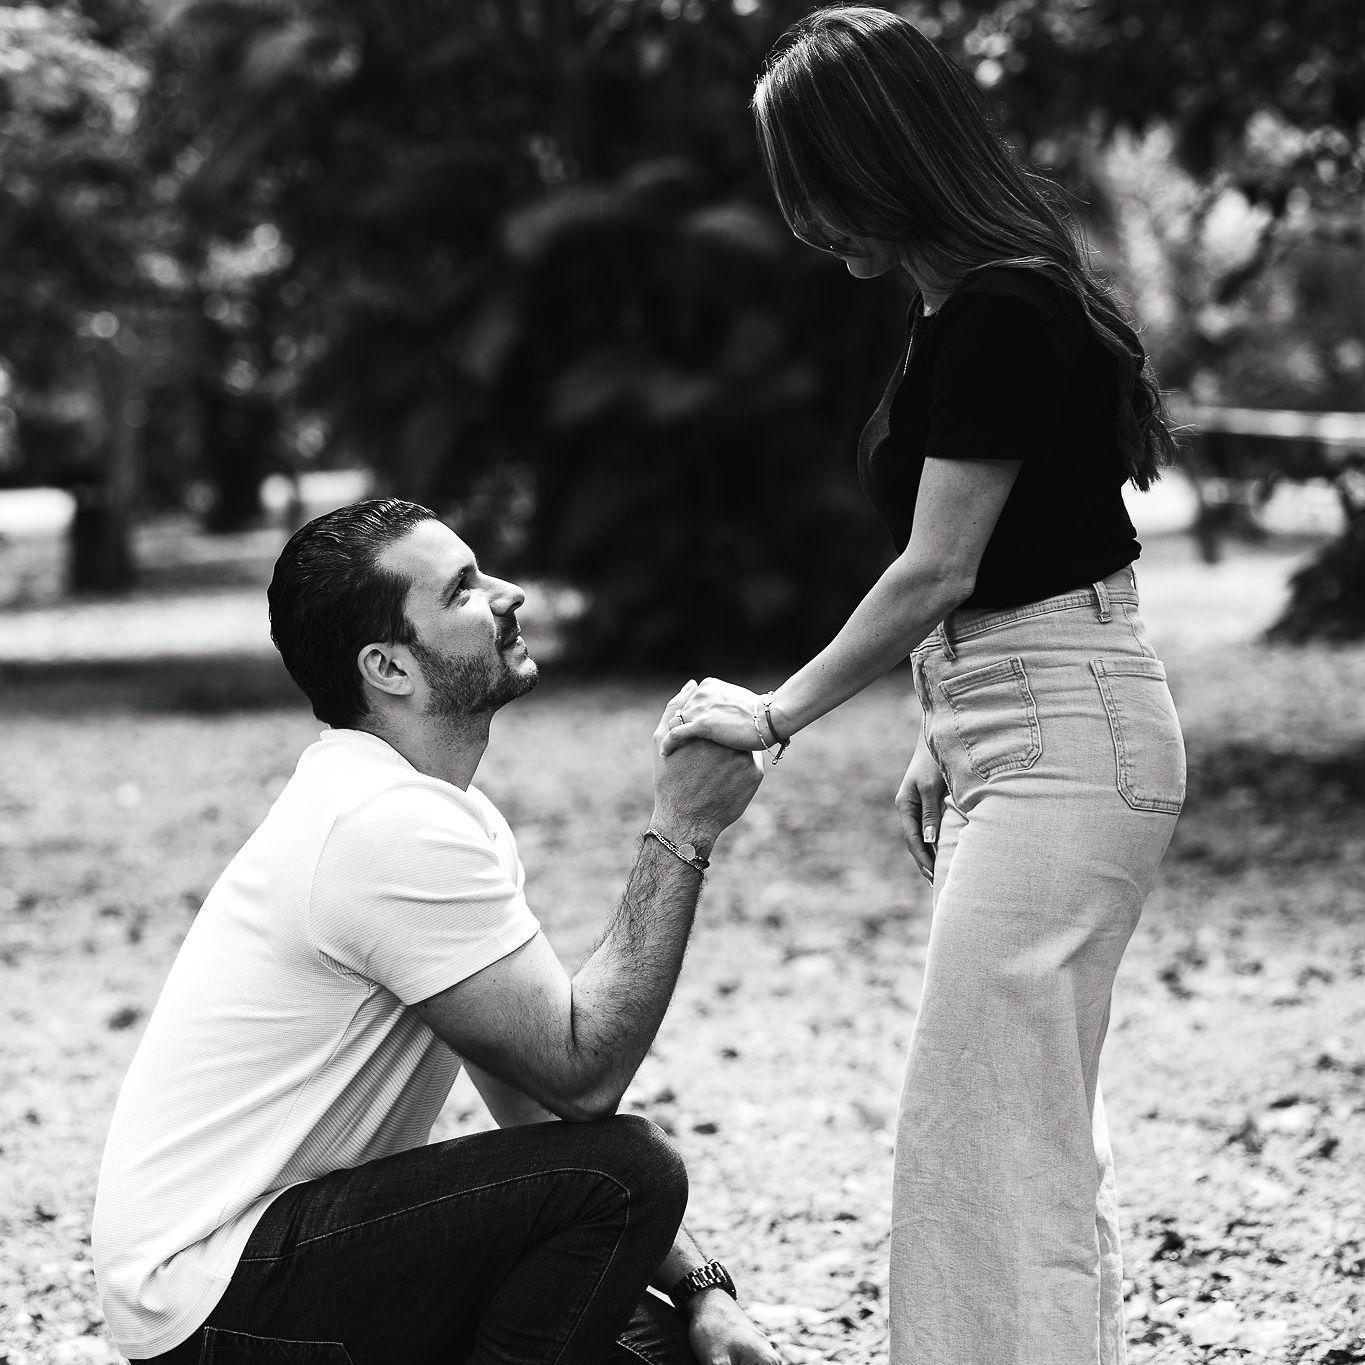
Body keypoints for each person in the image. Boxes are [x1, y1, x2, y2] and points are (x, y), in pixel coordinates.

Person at [660, 9, 1186, 1365]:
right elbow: (1001, 565)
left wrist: (774, 715)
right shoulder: (961, 305)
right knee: (1014, 1120)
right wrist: (937, 728)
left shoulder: (1005, 307)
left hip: (1069, 733)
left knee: (982, 1127)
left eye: (814, 184)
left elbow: (938, 566)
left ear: (881, 156)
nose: (803, 223)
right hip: (1022, 720)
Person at [92, 498, 778, 1365]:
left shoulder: (444, 813)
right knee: (627, 1172)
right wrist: (682, 828)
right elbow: (585, 1077)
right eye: (461, 590)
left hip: (273, 1268)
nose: (507, 593)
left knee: (670, 1352)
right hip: (213, 1294)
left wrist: (701, 1289)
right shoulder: (380, 825)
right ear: (388, 667)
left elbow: (534, 1102)